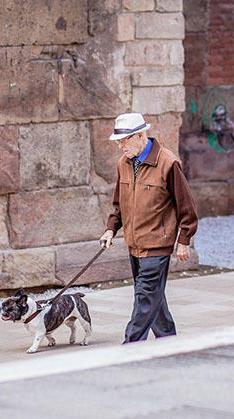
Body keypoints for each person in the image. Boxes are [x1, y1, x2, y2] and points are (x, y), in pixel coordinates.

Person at [99, 112, 199, 343]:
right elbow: (120, 203)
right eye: (118, 141)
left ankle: (130, 346)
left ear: (140, 135)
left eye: (124, 140)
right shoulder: (124, 163)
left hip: (157, 244)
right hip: (135, 244)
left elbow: (186, 205)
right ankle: (168, 340)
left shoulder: (168, 162)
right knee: (154, 297)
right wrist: (111, 229)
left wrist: (184, 240)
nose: (121, 146)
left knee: (144, 298)